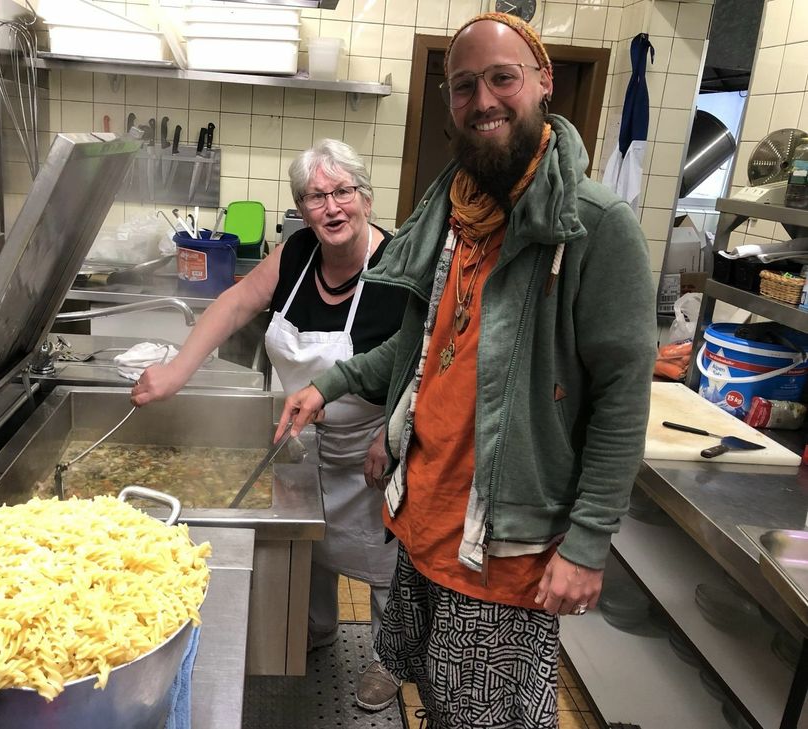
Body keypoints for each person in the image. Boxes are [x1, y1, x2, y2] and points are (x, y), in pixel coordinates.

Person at [277, 13, 656, 729]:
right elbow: (423, 353)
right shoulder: (454, 214)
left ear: (544, 82)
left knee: (486, 718)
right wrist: (329, 387)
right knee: (439, 698)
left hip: (503, 546)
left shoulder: (595, 226)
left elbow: (620, 398)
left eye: (502, 78)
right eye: (463, 86)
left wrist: (587, 542)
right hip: (427, 517)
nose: (482, 99)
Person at [131, 139, 409, 712]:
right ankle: (318, 629)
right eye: (315, 197)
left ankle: (390, 659)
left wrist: (393, 433)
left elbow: (426, 359)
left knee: (386, 567)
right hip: (299, 434)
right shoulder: (297, 254)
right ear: (301, 208)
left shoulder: (398, 267)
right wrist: (177, 372)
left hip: (375, 446)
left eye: (342, 192)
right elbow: (232, 304)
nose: (331, 208)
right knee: (306, 544)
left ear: (366, 197)